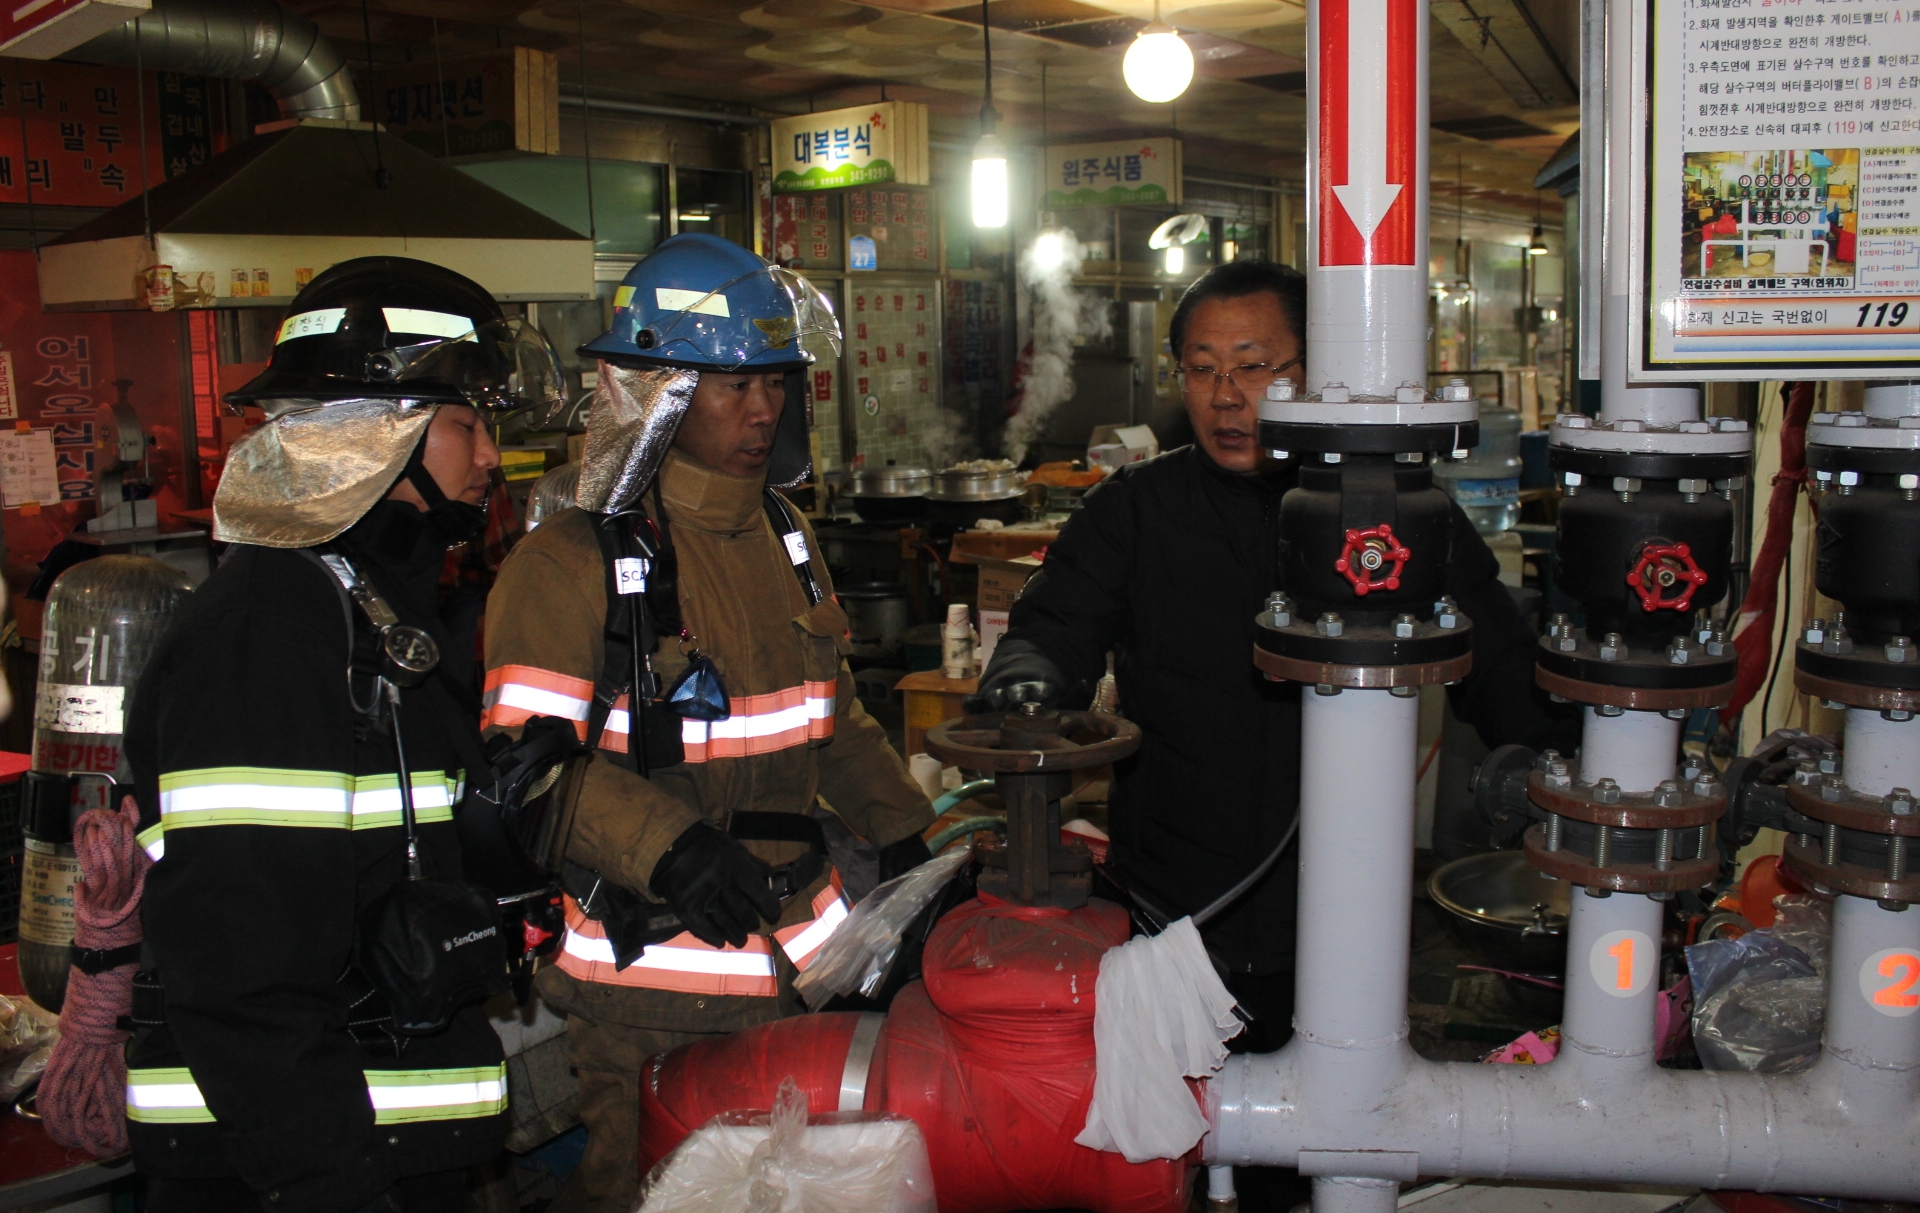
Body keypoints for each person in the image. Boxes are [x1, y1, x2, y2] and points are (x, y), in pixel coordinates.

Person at [976, 259, 1576, 1039]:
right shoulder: (1136, 511)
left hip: (1347, 909)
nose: (1226, 396)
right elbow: (1058, 620)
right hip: (1174, 908)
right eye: (1202, 369)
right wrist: (1029, 674)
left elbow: (1495, 655)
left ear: (1312, 371)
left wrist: (1566, 745)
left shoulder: (1390, 515)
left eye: (1255, 367)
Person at [482, 233, 936, 1213]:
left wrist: (912, 840)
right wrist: (670, 846)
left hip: (794, 971)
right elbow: (525, 770)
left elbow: (832, 718)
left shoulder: (785, 533)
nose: (763, 409)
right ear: (659, 392)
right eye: (731, 385)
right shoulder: (568, 563)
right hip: (647, 991)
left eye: (774, 381)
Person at [122, 258, 569, 1212]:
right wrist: (334, 1186)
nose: (492, 457)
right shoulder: (270, 631)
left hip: (377, 1145)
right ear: (376, 431)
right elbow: (240, 964)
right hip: (292, 1171)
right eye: (466, 425)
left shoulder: (364, 609)